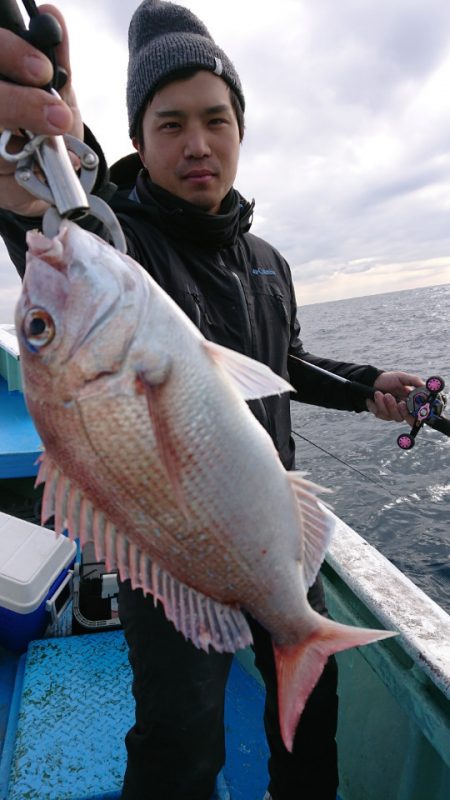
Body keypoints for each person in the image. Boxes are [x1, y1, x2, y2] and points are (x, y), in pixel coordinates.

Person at [0, 3, 423, 799]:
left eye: (216, 119)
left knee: (314, 718)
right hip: (171, 554)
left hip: (274, 531)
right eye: (170, 124)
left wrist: (369, 386)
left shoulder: (269, 260)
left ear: (240, 128)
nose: (198, 143)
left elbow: (284, 359)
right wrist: (43, 164)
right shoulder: (121, 244)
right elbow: (70, 221)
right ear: (136, 141)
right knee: (179, 736)